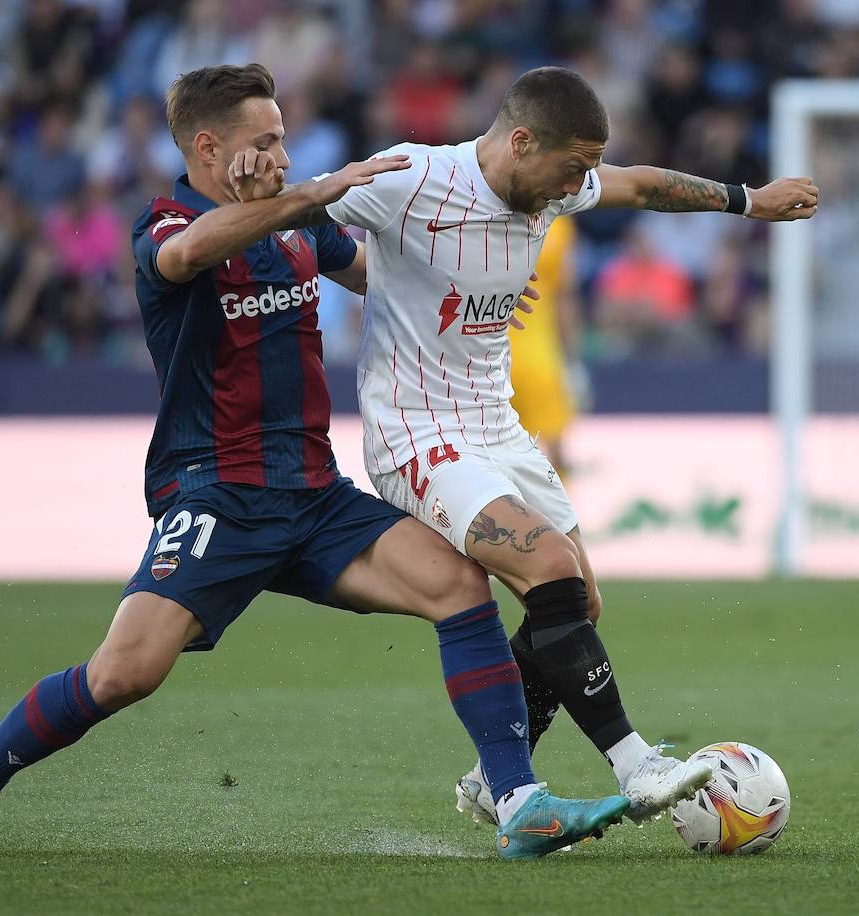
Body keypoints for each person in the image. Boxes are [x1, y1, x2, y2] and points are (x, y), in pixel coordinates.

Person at [0, 64, 628, 861]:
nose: (285, 157)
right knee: (124, 674)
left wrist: (464, 285)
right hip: (219, 499)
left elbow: (377, 274)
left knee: (459, 586)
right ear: (207, 146)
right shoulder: (163, 225)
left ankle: (519, 802)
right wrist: (308, 196)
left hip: (315, 495)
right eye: (265, 142)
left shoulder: (298, 227)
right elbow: (193, 251)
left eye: (286, 139)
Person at [313, 66, 818, 825]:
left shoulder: (554, 185)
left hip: (497, 424)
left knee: (578, 598)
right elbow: (301, 212)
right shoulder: (412, 177)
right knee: (547, 567)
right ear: (521, 141)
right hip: (416, 432)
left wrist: (748, 201)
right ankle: (636, 762)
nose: (579, 185)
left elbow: (641, 185)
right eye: (573, 166)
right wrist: (353, 265)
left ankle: (494, 777)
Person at [508, 214, 582, 476]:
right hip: (542, 357)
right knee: (556, 457)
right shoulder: (558, 227)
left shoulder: (480, 215)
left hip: (487, 357)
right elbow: (565, 297)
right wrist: (573, 362)